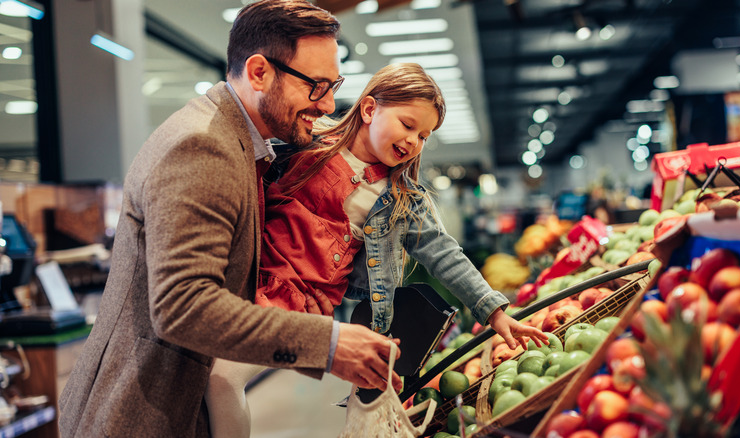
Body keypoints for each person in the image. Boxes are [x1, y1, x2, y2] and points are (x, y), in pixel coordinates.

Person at [58, 2, 402, 437]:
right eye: (316, 87)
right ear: (259, 72)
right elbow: (183, 306)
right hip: (141, 415)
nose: (329, 104)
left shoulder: (243, 144)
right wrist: (328, 345)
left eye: (334, 86)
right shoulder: (204, 147)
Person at [206, 63, 549, 438]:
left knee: (223, 378)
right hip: (241, 275)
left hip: (296, 304)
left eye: (424, 135)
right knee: (198, 373)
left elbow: (443, 253)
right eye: (407, 125)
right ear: (369, 110)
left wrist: (494, 310)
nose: (413, 141)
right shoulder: (307, 144)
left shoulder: (402, 199)